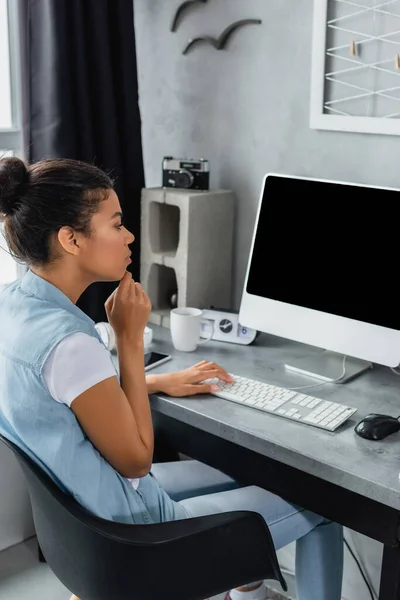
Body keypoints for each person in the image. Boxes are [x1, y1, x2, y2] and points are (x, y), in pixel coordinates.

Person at [0, 157, 343, 600]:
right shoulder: (71, 344)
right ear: (70, 239)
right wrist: (127, 338)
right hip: (138, 536)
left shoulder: (13, 306)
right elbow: (136, 461)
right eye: (117, 224)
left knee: (245, 473)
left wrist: (156, 383)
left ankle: (246, 589)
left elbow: (68, 400)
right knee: (324, 506)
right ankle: (237, 582)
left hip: (88, 527)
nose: (130, 236)